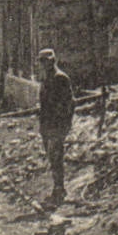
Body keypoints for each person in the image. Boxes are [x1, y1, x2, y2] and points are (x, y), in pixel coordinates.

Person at [37, 48, 75, 205]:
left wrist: (64, 122)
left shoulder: (61, 78)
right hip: (46, 124)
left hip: (57, 124)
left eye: (47, 61)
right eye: (42, 62)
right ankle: (57, 186)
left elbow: (69, 103)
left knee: (55, 154)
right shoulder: (46, 79)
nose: (44, 64)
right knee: (51, 156)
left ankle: (60, 188)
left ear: (53, 61)